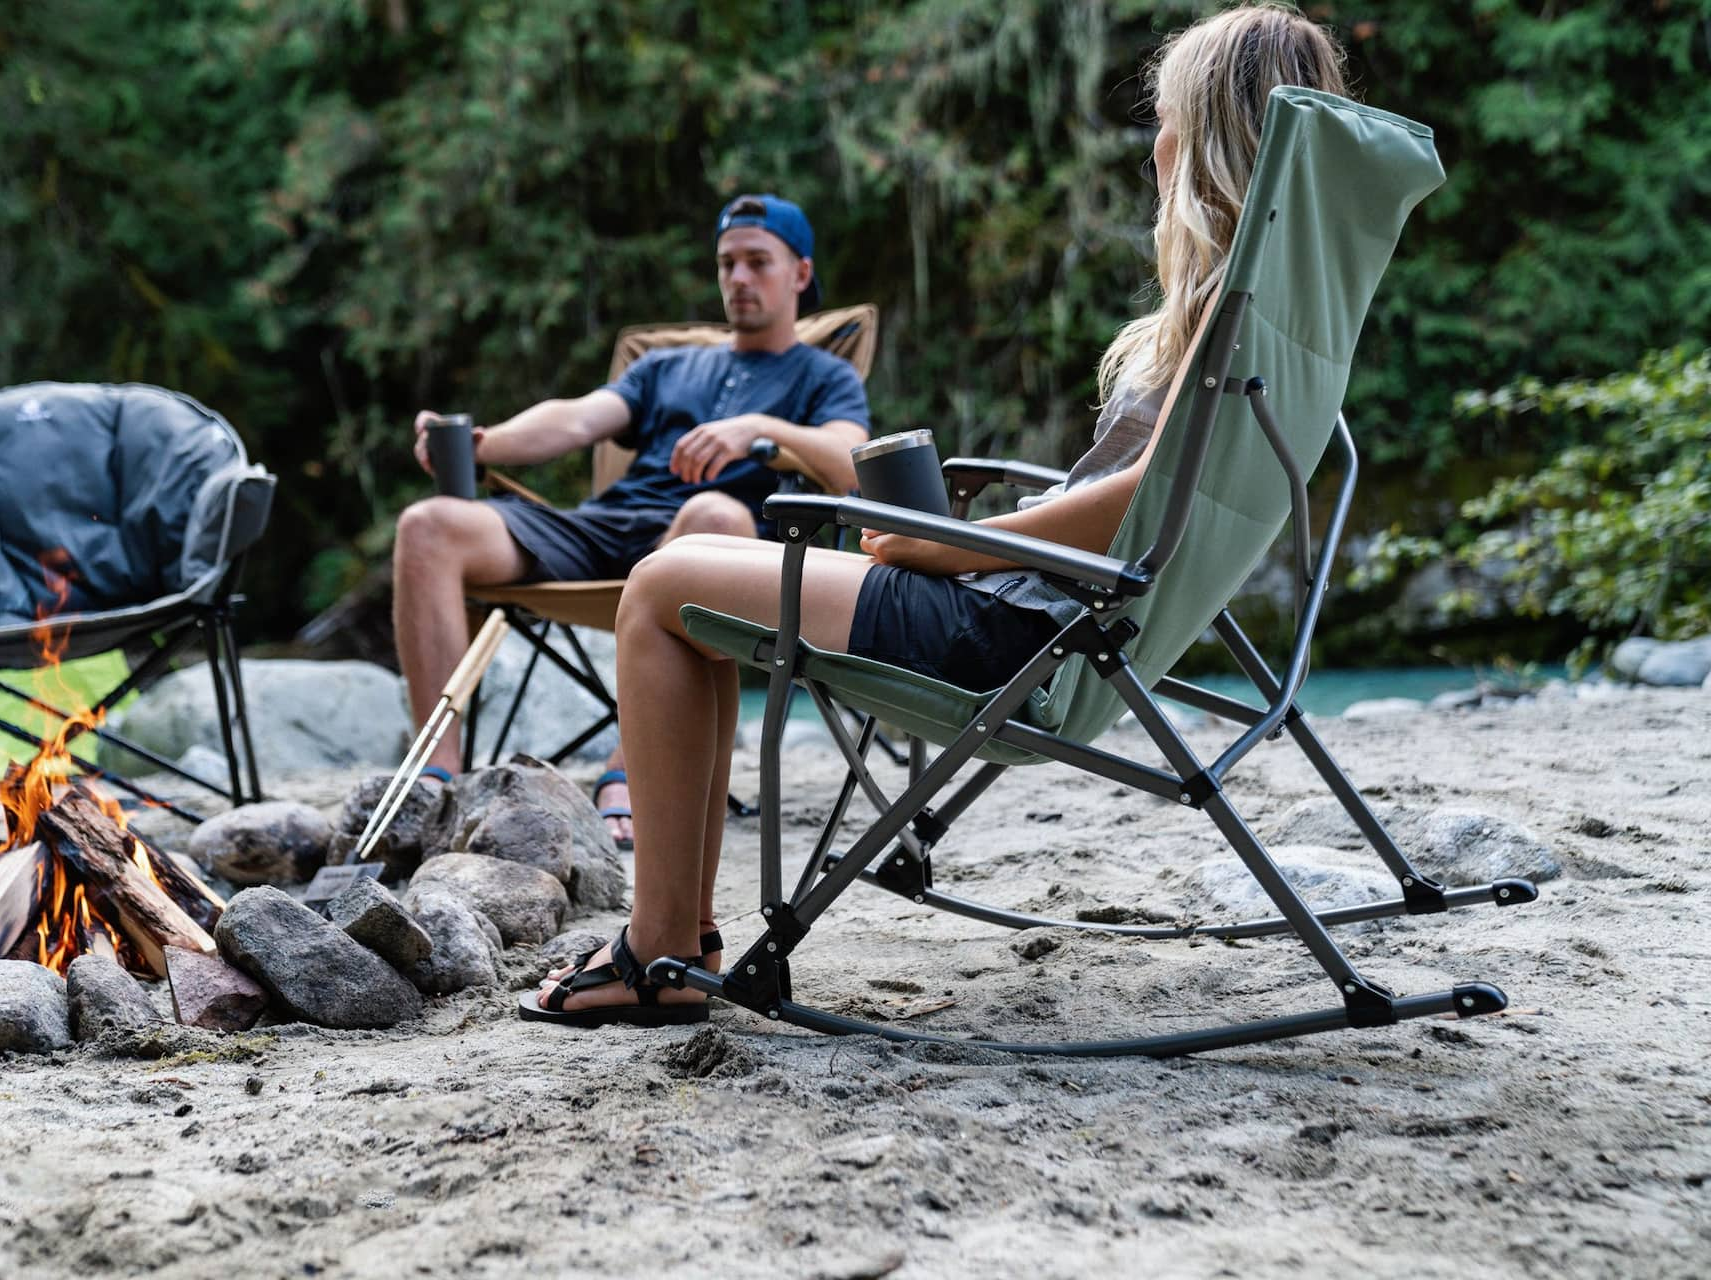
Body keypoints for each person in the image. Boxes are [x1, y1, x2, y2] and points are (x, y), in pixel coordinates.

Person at [521, 1, 1353, 1025]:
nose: (1157, 145)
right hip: (1055, 620)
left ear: (1214, 140)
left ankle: (656, 950)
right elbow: (1152, 510)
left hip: (1012, 634)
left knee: (659, 588)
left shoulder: (1233, 306)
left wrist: (950, 549)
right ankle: (677, 935)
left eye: (1169, 118)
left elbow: (1142, 503)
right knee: (697, 600)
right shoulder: (1280, 297)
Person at [393, 194, 871, 842]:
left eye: (758, 262)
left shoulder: (824, 376)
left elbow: (849, 463)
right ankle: (435, 776)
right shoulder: (667, 365)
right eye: (727, 263)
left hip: (710, 550)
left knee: (715, 515)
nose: (738, 278)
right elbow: (580, 418)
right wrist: (489, 443)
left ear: (801, 274)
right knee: (427, 526)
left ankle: (629, 770)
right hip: (607, 528)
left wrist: (760, 428)